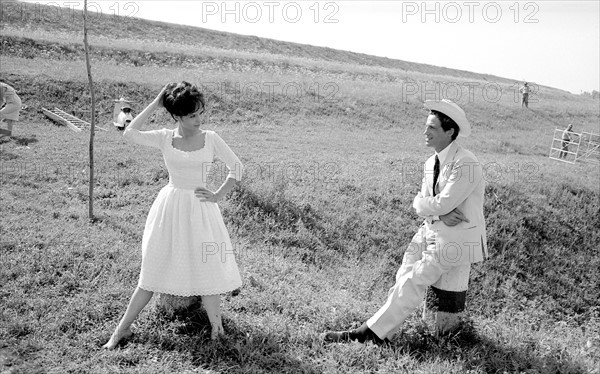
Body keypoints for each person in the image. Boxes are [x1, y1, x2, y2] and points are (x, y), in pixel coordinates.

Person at [323, 99, 487, 344]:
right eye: (426, 126)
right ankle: (384, 331)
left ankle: (368, 333)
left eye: (432, 127)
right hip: (431, 228)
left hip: (457, 238)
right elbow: (422, 204)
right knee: (404, 272)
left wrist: (433, 208)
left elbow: (439, 203)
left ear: (450, 131)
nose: (425, 132)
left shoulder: (466, 162)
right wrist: (437, 211)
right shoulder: (430, 163)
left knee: (414, 279)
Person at [103, 82, 244, 349]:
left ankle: (217, 328)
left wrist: (217, 195)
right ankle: (121, 330)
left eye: (200, 113)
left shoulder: (211, 138)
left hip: (202, 210)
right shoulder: (165, 137)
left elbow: (237, 168)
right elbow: (129, 133)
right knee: (151, 271)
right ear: (177, 116)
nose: (198, 120)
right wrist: (156, 102)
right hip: (170, 207)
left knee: (208, 267)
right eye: (192, 116)